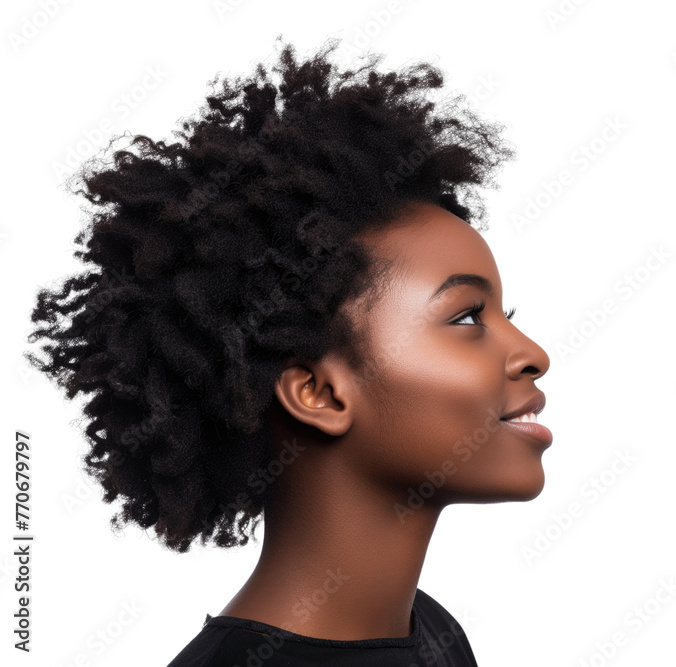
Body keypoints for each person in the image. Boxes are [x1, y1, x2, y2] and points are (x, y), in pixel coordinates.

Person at [24, 36, 553, 666]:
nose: (533, 354)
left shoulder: (434, 636)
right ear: (319, 393)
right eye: (468, 316)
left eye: (505, 315)